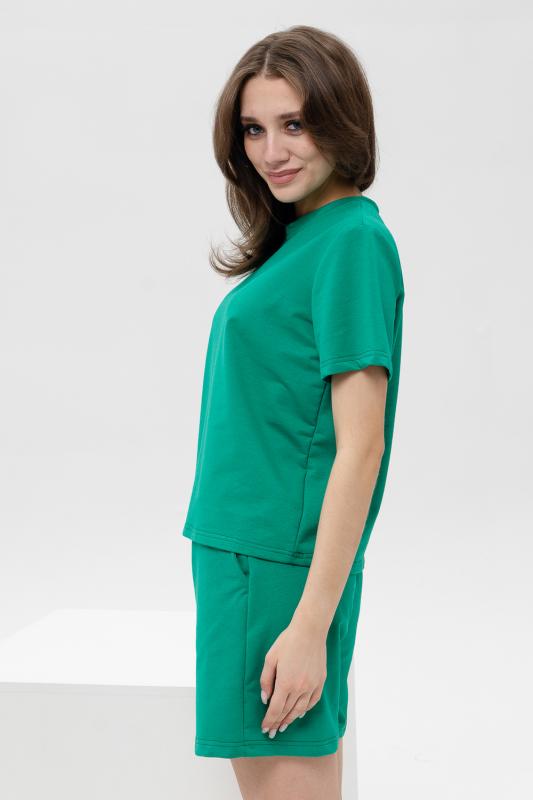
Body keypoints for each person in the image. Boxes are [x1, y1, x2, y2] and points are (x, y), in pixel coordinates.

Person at [182, 24, 405, 800]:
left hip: (277, 569)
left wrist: (309, 625)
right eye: (253, 129)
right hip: (242, 558)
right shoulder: (304, 239)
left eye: (294, 124)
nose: (271, 151)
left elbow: (361, 446)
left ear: (340, 121)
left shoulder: (350, 242)